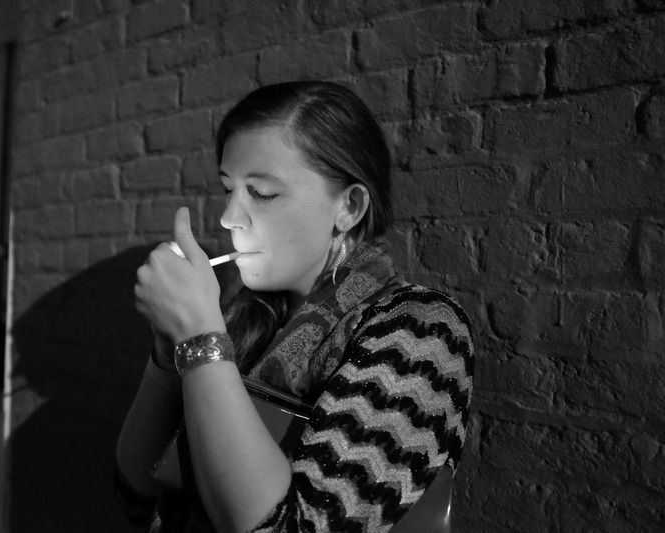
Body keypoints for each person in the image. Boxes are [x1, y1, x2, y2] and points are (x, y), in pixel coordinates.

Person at [115, 81, 474, 533]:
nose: (228, 217)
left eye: (262, 193)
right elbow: (135, 495)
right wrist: (171, 351)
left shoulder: (420, 330)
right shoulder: (240, 322)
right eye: (228, 188)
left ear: (349, 207)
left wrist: (199, 338)